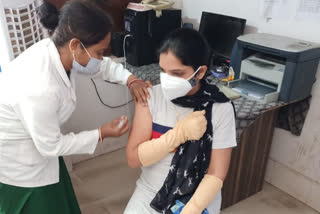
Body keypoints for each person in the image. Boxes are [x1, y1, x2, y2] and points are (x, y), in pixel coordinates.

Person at [0, 1, 150, 213]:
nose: (101, 58)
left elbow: (102, 65)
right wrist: (101, 133)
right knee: (41, 203)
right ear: (75, 46)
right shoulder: (40, 86)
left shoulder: (60, 52)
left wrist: (131, 79)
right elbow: (51, 147)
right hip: (19, 162)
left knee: (58, 193)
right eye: (99, 52)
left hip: (41, 144)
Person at [124, 28, 237, 214]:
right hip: (150, 193)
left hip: (197, 198)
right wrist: (177, 136)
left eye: (177, 73)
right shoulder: (151, 97)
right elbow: (133, 159)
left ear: (200, 73)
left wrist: (192, 209)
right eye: (163, 70)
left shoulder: (219, 108)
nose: (167, 80)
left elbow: (216, 173)